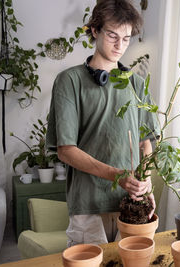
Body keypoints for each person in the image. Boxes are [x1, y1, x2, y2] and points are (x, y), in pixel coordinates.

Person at [46, 0, 159, 247]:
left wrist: (145, 181)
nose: (120, 46)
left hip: (132, 203)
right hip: (88, 205)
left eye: (127, 38)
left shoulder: (137, 85)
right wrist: (118, 175)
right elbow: (66, 150)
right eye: (112, 35)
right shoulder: (69, 81)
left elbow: (147, 141)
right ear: (95, 30)